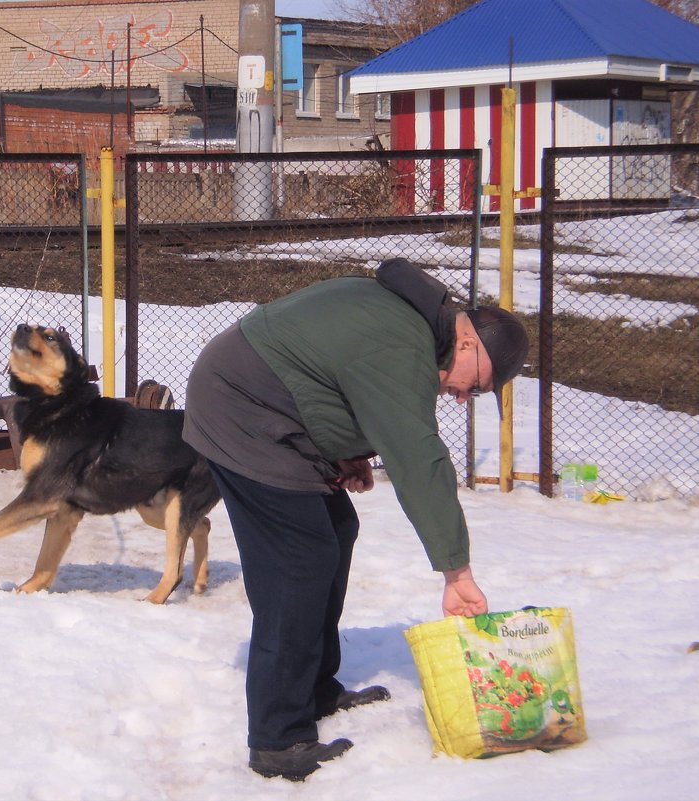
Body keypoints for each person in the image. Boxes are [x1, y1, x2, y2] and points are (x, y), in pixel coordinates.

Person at [182, 258, 530, 781]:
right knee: (299, 560)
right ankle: (277, 739)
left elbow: (326, 375)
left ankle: (316, 687)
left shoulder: (413, 326)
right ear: (468, 345)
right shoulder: (403, 345)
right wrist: (456, 572)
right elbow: (419, 457)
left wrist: (344, 453)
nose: (462, 398)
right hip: (240, 413)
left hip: (268, 405)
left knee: (336, 531)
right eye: (475, 387)